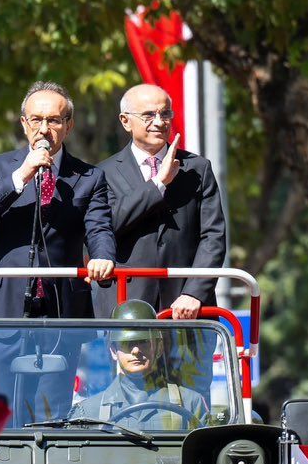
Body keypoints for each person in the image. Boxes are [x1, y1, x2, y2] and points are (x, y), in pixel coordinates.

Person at [0, 82, 114, 321]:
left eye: (54, 120)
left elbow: (99, 228)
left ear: (69, 125)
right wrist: (21, 176)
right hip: (4, 300)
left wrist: (103, 257)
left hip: (62, 302)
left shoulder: (90, 177)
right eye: (36, 120)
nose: (44, 129)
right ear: (24, 124)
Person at [91, 83, 227, 318]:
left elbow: (213, 236)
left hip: (186, 307)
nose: (159, 121)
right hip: (127, 304)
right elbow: (107, 225)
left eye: (165, 113)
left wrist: (194, 292)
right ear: (125, 121)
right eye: (148, 115)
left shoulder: (197, 168)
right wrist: (158, 184)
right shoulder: (103, 173)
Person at [69, 301, 213, 433]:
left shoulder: (190, 403)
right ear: (113, 351)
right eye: (126, 343)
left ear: (159, 347)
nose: (136, 350)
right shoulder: (87, 412)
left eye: (143, 341)